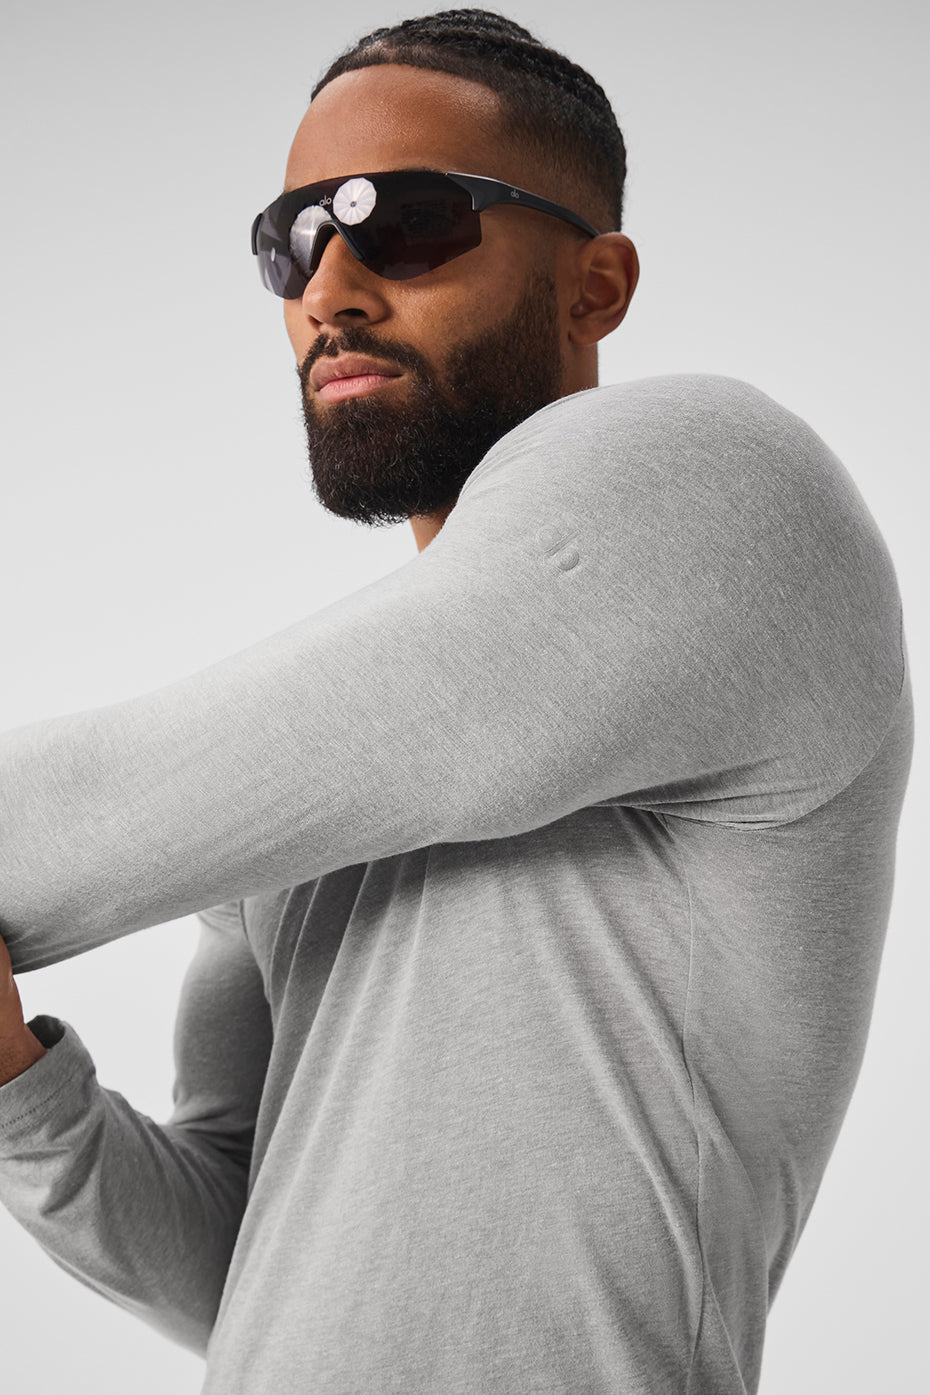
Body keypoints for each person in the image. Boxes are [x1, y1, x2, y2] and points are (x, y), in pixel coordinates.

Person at [0, 9, 912, 1395]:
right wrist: (21, 1093)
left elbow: (83, 818)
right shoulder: (322, 775)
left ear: (596, 285)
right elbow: (247, 1263)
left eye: (407, 221)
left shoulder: (720, 485)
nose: (332, 286)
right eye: (293, 237)